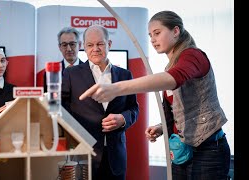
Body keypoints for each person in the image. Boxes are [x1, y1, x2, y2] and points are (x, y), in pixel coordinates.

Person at [79, 11, 231, 179]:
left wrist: (116, 88)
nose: (152, 39)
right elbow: (181, 110)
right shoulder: (171, 66)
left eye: (157, 33)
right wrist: (162, 127)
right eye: (150, 35)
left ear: (175, 31)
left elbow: (174, 78)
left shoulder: (193, 56)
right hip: (183, 151)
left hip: (208, 150)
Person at [62, 24, 139, 180]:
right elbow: (62, 108)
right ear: (84, 46)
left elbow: (133, 108)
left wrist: (123, 119)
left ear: (109, 44)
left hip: (115, 157)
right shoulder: (71, 74)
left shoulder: (125, 75)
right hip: (84, 155)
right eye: (90, 45)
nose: (95, 49)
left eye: (100, 44)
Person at [43, 26, 83, 92]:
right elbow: (48, 99)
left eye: (72, 44)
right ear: (59, 47)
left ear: (79, 45)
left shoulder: (89, 70)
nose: (69, 49)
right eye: (64, 45)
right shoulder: (52, 73)